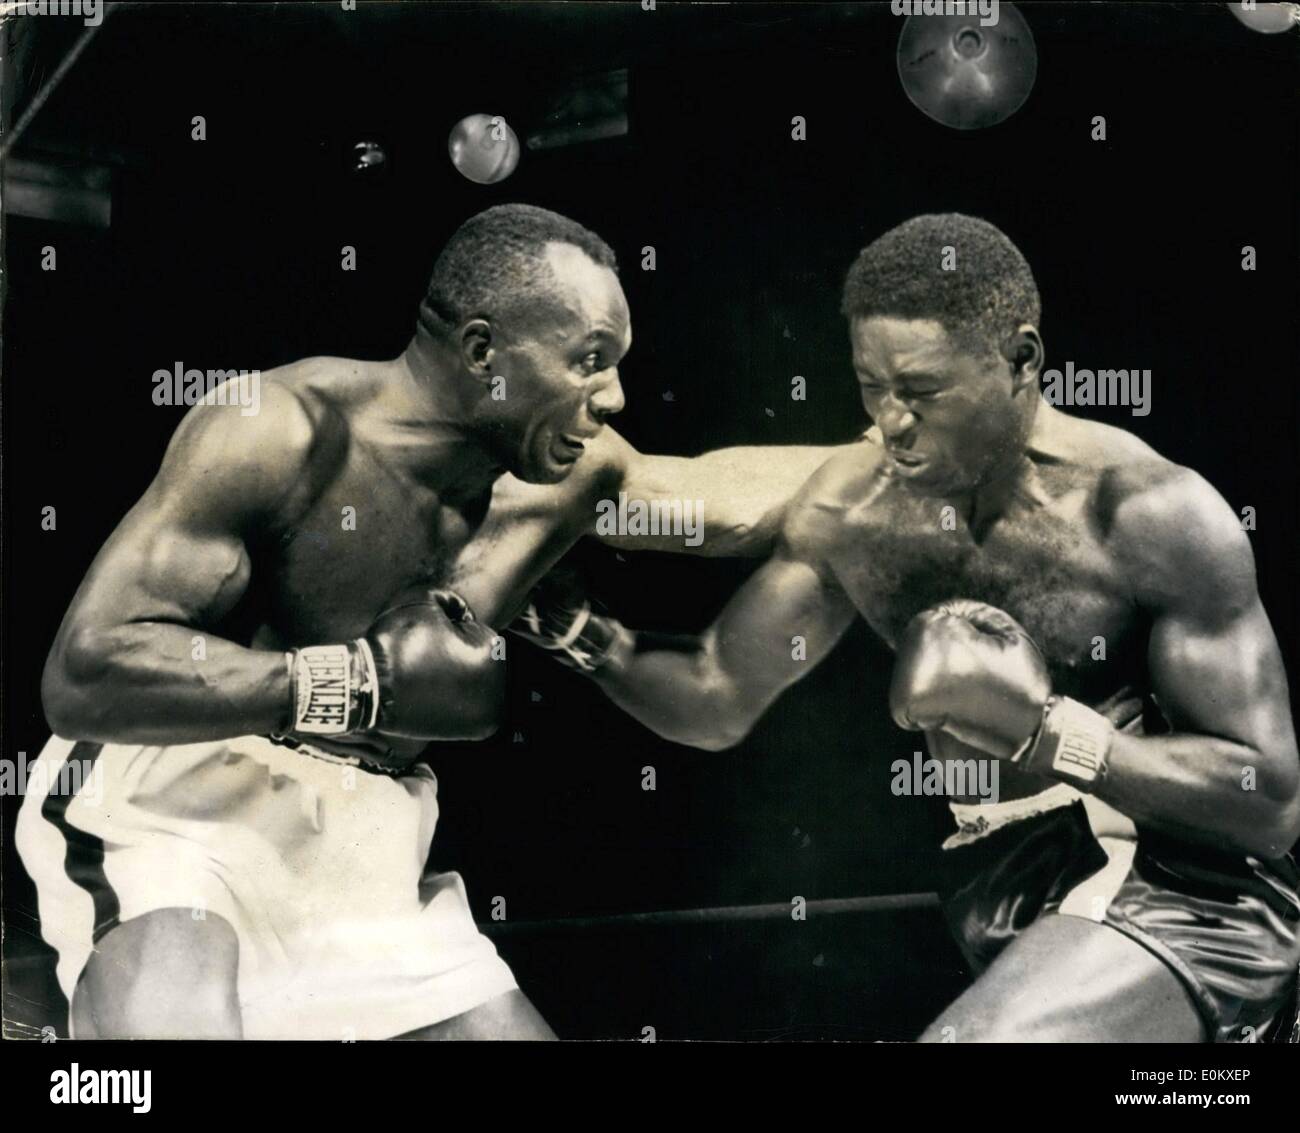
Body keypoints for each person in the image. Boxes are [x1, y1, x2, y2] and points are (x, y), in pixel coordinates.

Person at [17, 203, 837, 1040]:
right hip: (179, 812)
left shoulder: (568, 482)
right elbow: (84, 673)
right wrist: (357, 684)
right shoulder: (281, 432)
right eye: (588, 361)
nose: (615, 395)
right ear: (484, 352)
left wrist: (940, 445)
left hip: (367, 839)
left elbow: (737, 505)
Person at [514, 213, 1300, 1042]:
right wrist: (580, 634)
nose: (891, 422)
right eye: (871, 388)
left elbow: (1269, 798)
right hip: (1001, 881)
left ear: (1022, 361)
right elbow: (715, 695)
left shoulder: (1147, 515)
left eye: (921, 392)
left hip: (1184, 885)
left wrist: (1045, 733)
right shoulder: (856, 511)